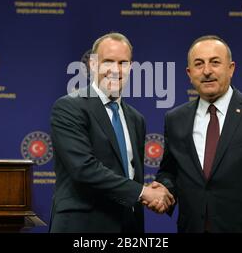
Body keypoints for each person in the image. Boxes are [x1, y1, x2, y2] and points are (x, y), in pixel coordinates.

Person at [153, 35, 242, 232]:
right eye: (198, 64)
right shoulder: (175, 118)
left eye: (215, 62)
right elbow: (170, 171)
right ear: (189, 73)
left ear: (231, 68)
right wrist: (164, 189)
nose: (207, 71)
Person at [49, 32, 174, 233]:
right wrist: (143, 193)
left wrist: (154, 192)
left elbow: (131, 175)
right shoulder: (69, 107)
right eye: (108, 62)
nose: (115, 70)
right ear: (92, 64)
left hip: (127, 227)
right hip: (82, 227)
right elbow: (84, 169)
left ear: (131, 67)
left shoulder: (136, 119)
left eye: (123, 63)